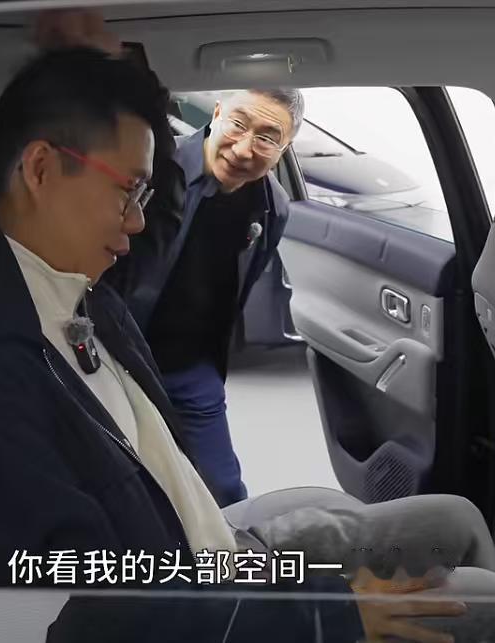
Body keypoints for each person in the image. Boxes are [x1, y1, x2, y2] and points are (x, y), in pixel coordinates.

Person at [0, 13, 495, 643]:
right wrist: (327, 615)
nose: (136, 223)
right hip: (197, 598)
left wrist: (125, 82)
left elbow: (162, 219)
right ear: (41, 170)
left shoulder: (67, 287)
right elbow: (83, 606)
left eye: (143, 196)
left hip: (215, 556)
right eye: (127, 192)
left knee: (457, 520)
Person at [106, 84, 297, 507]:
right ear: (216, 114)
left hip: (191, 368)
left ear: (284, 150)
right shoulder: (152, 168)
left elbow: (237, 290)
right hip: (117, 353)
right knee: (126, 487)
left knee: (223, 493)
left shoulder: (273, 207)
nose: (244, 149)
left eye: (267, 138)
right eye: (238, 124)